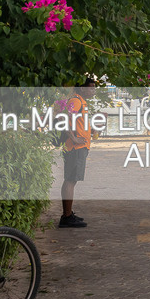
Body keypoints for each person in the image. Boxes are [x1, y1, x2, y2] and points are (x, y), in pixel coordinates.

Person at [58, 78, 96, 228]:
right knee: (70, 180)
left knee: (71, 180)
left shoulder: (81, 101)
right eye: (91, 88)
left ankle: (68, 213)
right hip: (74, 148)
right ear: (82, 89)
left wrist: (91, 130)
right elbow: (64, 118)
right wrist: (73, 137)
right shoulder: (76, 101)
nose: (93, 91)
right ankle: (66, 217)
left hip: (79, 148)